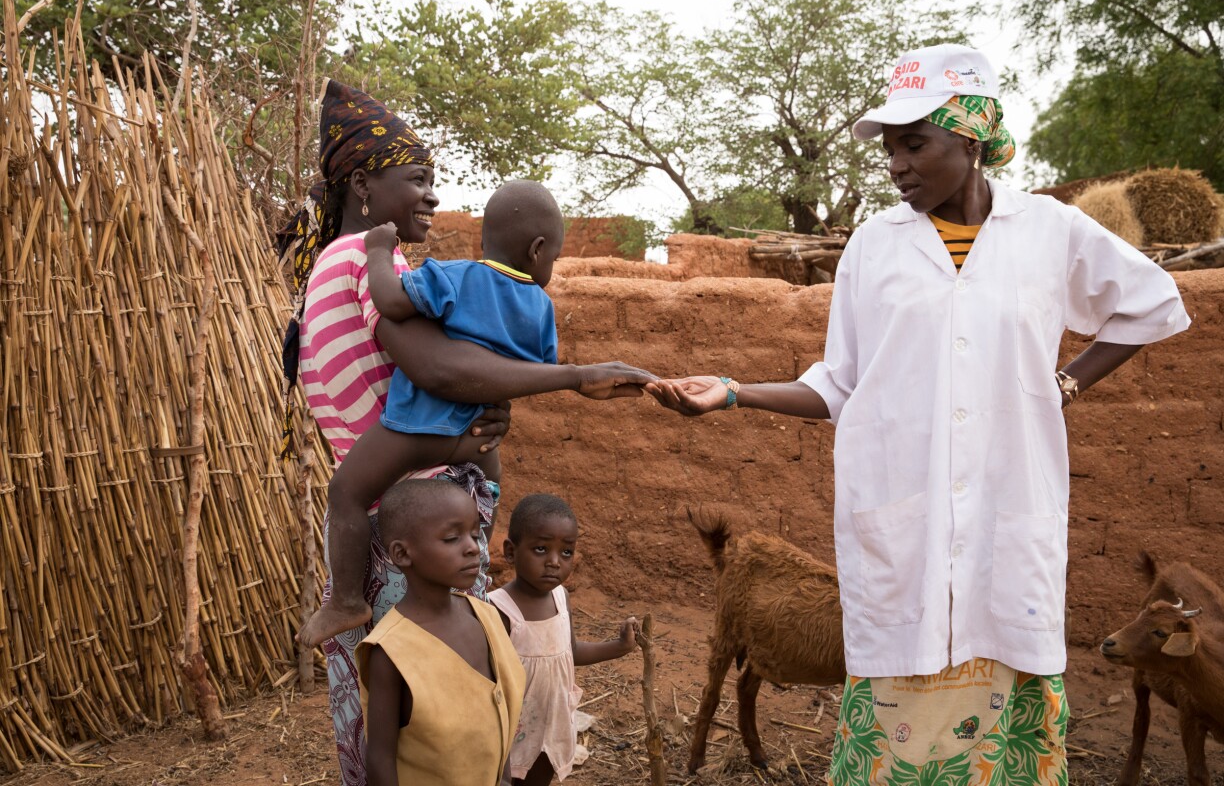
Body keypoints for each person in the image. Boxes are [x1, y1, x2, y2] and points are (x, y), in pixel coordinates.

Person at [648, 44, 1191, 785]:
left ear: (967, 142)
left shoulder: (1049, 232)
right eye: (891, 149)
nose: (897, 165)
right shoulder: (875, 247)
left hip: (1009, 520)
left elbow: (1153, 305)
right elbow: (839, 384)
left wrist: (1066, 384)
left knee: (1004, 722)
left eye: (914, 144)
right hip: (907, 533)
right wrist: (735, 391)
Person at [275, 79, 654, 786]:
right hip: (414, 526)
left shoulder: (330, 263)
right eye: (417, 181)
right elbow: (444, 371)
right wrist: (573, 378)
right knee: (438, 729)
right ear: (362, 183)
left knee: (377, 721)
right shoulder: (370, 262)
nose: (431, 198)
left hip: (389, 521)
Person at [300, 179, 566, 647]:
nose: (430, 194)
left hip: (418, 425)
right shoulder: (542, 308)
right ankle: (475, 562)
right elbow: (532, 372)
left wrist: (380, 250)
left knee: (345, 490)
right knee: (486, 490)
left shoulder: (457, 276)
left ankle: (345, 599)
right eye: (417, 178)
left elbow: (391, 300)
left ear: (484, 241)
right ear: (539, 250)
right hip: (477, 434)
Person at [356, 478, 526, 786]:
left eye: (475, 535)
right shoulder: (391, 652)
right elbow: (380, 759)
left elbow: (498, 714)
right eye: (452, 538)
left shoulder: (487, 617)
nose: (473, 548)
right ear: (403, 554)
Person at [488, 494, 639, 785]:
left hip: (554, 721)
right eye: (541, 549)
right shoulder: (498, 609)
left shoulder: (560, 598)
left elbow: (570, 652)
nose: (554, 562)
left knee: (541, 777)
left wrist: (620, 647)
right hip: (513, 731)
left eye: (566, 552)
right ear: (510, 551)